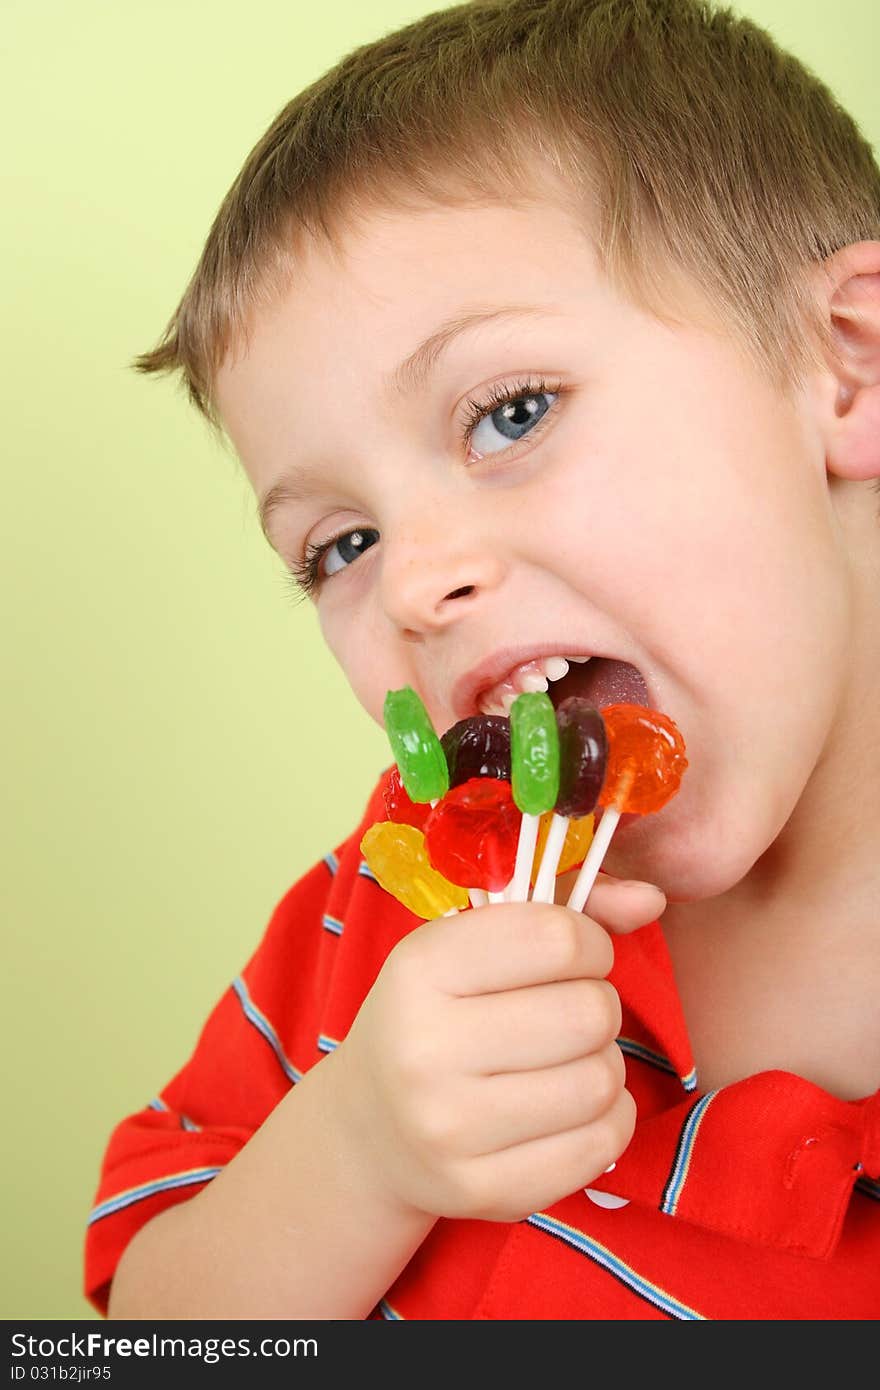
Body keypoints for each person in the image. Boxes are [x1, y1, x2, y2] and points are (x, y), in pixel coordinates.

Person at [85, 0, 880, 1319]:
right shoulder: (400, 889)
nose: (408, 581)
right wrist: (358, 1153)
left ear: (848, 366)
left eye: (511, 413)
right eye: (338, 543)